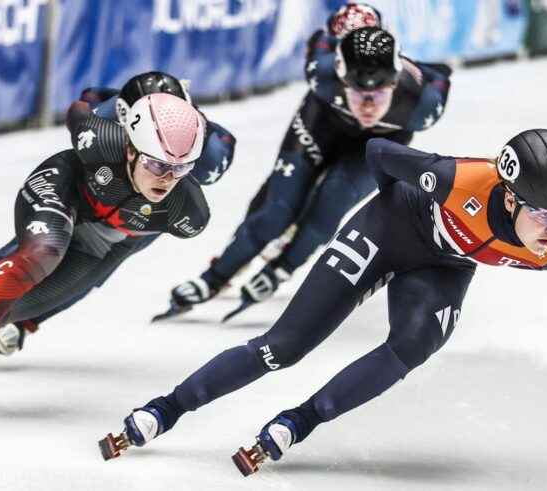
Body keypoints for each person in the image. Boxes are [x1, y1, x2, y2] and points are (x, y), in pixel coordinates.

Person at [100, 129, 547, 476]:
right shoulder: (456, 180)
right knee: (285, 346)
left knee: (414, 345)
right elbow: (379, 152)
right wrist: (385, 211)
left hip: (442, 266)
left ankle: (301, 420)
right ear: (508, 198)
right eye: (545, 213)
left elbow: (487, 248)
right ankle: (167, 408)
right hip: (389, 226)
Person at [0, 91, 213, 421]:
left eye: (180, 168)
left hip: (100, 240)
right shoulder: (99, 139)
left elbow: (125, 250)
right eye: (157, 164)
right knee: (42, 253)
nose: (167, 178)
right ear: (131, 149)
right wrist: (104, 96)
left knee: (8, 310)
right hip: (63, 190)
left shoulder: (187, 213)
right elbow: (81, 105)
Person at [162, 4, 452, 320]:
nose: (367, 106)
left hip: (371, 146)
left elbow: (440, 74)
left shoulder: (422, 104)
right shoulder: (322, 73)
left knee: (333, 201)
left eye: (379, 93)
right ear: (340, 76)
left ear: (396, 82)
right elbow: (322, 39)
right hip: (322, 125)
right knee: (277, 209)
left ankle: (282, 268)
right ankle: (215, 277)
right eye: (357, 92)